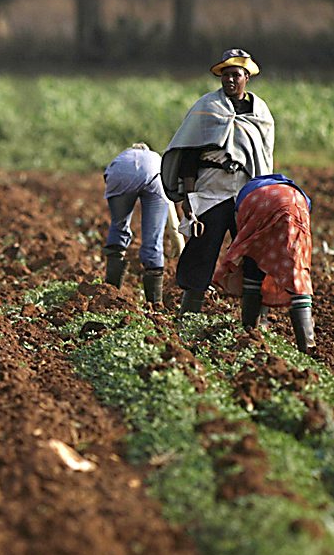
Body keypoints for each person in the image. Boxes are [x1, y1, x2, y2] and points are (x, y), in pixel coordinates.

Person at [160, 48, 275, 313]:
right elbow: (189, 153)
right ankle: (189, 315)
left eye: (235, 74)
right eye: (225, 75)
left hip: (247, 195)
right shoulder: (207, 107)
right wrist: (189, 196)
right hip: (211, 192)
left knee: (253, 255)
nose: (229, 80)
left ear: (247, 77)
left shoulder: (260, 114)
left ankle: (254, 323)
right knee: (201, 252)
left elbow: (264, 157)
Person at [212, 174, 316, 353]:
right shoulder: (293, 189)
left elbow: (246, 242)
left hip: (257, 205)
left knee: (253, 261)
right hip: (297, 205)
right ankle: (307, 345)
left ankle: (250, 331)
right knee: (297, 271)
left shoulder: (248, 192)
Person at [101, 143, 166, 303]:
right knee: (153, 238)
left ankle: (111, 292)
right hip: (153, 177)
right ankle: (155, 303)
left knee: (119, 225)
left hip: (119, 176)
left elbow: (107, 176)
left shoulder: (123, 156)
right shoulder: (155, 157)